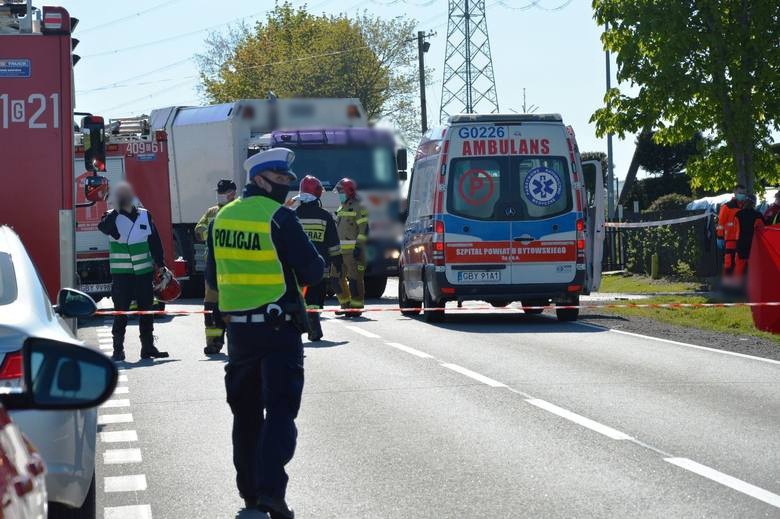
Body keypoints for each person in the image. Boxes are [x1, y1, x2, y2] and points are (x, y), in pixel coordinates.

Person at [206, 148, 324, 517]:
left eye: (288, 180)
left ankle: (250, 494)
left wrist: (213, 332)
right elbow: (313, 271)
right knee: (280, 412)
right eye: (280, 179)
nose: (285, 185)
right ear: (260, 180)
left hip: (239, 334)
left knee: (245, 415)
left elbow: (212, 280)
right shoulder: (279, 218)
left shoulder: (221, 219)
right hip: (278, 331)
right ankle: (272, 491)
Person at [98, 182, 169, 361]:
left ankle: (148, 347)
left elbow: (155, 242)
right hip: (122, 275)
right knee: (121, 312)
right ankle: (117, 350)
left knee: (147, 310)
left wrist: (160, 264)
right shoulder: (110, 217)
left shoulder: (145, 215)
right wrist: (116, 211)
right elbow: (104, 228)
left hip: (143, 272)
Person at [294, 175, 343, 341]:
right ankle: (313, 326)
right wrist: (338, 261)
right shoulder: (325, 216)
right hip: (318, 266)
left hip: (297, 267)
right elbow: (333, 243)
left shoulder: (293, 216)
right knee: (315, 298)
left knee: (299, 297)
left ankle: (302, 325)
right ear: (318, 194)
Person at [195, 179, 237, 355]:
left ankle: (237, 341)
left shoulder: (239, 211)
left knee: (234, 307)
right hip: (214, 266)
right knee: (211, 308)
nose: (220, 195)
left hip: (235, 267)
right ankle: (213, 342)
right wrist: (210, 234)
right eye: (219, 192)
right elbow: (199, 229)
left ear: (233, 193)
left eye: (224, 192)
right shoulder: (212, 211)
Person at [333, 177, 369, 316]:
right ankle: (345, 304)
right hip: (340, 252)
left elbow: (364, 229)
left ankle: (356, 307)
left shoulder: (359, 206)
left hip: (354, 252)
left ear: (349, 191)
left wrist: (359, 247)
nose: (339, 194)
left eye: (341, 191)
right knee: (335, 279)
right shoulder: (342, 207)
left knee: (355, 280)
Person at [716, 184, 747, 286]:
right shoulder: (727, 206)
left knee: (740, 263)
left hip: (742, 240)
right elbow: (721, 223)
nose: (741, 195)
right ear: (735, 192)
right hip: (730, 239)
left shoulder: (745, 206)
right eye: (740, 193)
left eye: (743, 193)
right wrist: (720, 237)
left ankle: (738, 285)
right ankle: (728, 286)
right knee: (729, 263)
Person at [733, 194, 765, 283]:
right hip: (753, 245)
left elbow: (735, 229)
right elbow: (762, 231)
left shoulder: (738, 214)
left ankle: (737, 288)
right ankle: (754, 287)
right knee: (754, 267)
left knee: (739, 267)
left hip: (741, 244)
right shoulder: (758, 215)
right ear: (754, 203)